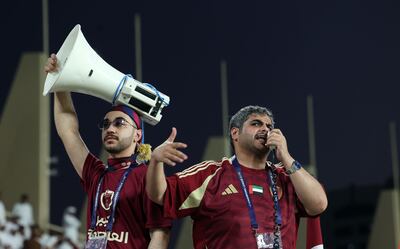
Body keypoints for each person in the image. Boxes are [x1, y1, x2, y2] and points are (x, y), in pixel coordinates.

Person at [146, 105, 328, 249]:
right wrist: (156, 162)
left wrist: (286, 158)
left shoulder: (286, 176)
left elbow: (318, 204)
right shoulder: (211, 173)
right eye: (256, 123)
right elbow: (160, 195)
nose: (265, 129)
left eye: (269, 126)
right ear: (235, 133)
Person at [44, 53, 171, 249]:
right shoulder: (96, 174)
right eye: (106, 124)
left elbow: (160, 235)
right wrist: (59, 80)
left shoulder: (147, 175)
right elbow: (68, 131)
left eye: (119, 123)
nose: (110, 129)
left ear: (137, 135)